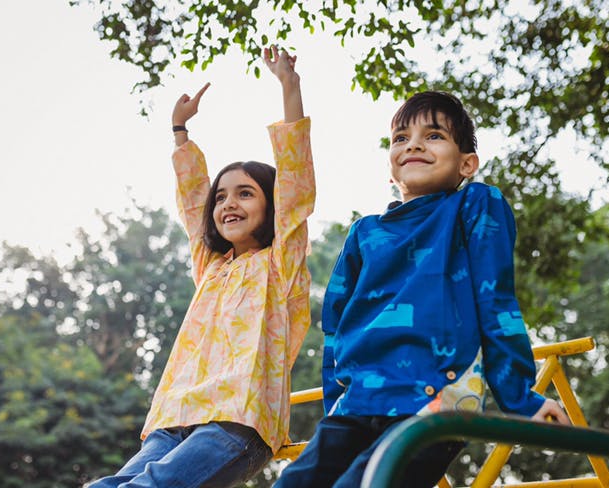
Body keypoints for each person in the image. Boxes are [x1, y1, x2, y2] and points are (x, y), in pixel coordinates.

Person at [274, 91, 569, 488]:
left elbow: (495, 299)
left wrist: (521, 399)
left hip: (436, 395)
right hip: (358, 401)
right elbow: (336, 326)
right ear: (391, 168)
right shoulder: (366, 233)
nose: (413, 143)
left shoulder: (474, 206)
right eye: (401, 137)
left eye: (434, 135)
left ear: (467, 163)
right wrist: (334, 405)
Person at [87, 46, 314, 488]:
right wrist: (179, 133)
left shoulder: (279, 264)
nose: (229, 202)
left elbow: (295, 179)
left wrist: (290, 88)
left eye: (246, 193)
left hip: (236, 422)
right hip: (174, 417)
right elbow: (193, 204)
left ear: (272, 206)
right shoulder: (212, 268)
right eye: (223, 196)